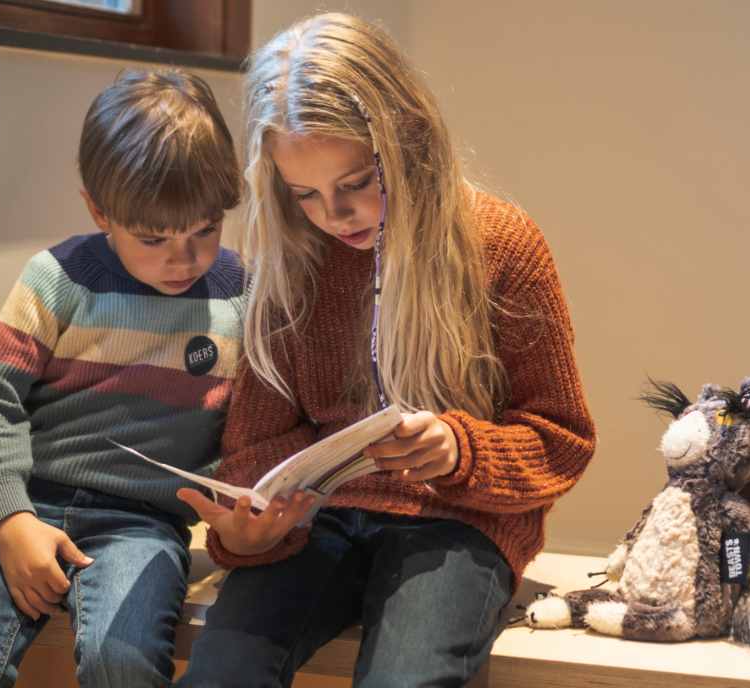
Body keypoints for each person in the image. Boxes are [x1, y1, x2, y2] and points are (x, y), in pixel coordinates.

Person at [174, 13, 596, 688]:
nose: (334, 215)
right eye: (304, 194)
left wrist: (458, 449)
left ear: (409, 138)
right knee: (221, 670)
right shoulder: (290, 268)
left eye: (355, 182)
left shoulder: (501, 246)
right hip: (317, 523)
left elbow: (560, 440)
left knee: (405, 678)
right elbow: (255, 449)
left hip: (459, 520)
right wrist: (247, 532)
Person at [0, 68, 245, 688]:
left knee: (124, 663)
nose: (184, 257)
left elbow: (249, 432)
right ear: (98, 210)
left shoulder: (240, 299)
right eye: (153, 237)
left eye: (205, 229)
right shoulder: (57, 278)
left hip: (142, 526)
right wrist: (10, 521)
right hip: (23, 502)